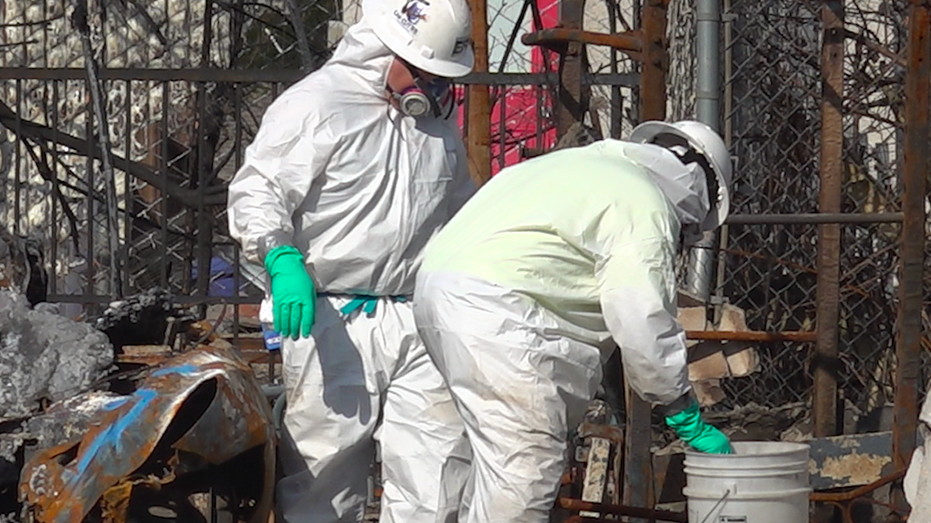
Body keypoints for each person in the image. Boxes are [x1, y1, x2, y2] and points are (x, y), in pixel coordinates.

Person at [226, 0, 476, 520]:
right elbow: (260, 191)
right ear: (386, 51)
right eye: (424, 73)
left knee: (438, 473)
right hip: (335, 318)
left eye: (439, 77)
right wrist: (279, 254)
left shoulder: (435, 122)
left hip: (419, 315)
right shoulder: (317, 105)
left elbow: (460, 210)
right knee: (325, 476)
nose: (432, 88)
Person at [413, 120, 735, 523]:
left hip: (436, 297)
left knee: (459, 464)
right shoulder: (644, 203)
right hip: (501, 315)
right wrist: (680, 407)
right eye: (689, 229)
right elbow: (640, 315)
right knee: (522, 472)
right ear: (699, 193)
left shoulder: (575, 166)